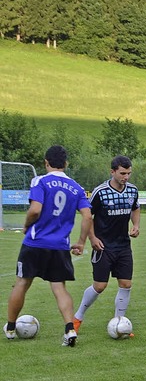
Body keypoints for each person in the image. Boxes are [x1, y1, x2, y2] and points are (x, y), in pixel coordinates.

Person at [4, 145, 92, 347]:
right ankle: (70, 329)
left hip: (35, 243)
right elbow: (87, 216)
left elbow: (35, 210)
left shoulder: (40, 181)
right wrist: (81, 241)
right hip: (60, 246)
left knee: (22, 283)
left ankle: (10, 328)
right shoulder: (77, 187)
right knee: (59, 288)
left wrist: (26, 225)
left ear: (46, 162)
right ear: (66, 164)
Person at [72, 156, 140, 333]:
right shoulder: (100, 191)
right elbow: (88, 217)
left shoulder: (132, 190)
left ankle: (119, 322)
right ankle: (78, 317)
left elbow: (135, 207)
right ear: (113, 172)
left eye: (129, 173)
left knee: (126, 284)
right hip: (103, 246)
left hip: (123, 246)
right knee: (100, 286)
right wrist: (92, 238)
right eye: (122, 173)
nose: (126, 177)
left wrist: (136, 225)